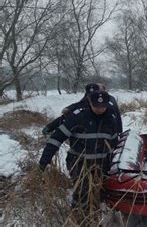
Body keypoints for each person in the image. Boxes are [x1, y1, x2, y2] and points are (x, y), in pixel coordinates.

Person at [39, 90, 118, 220]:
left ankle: (94, 216)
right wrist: (44, 160)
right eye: (96, 106)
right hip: (79, 162)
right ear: (90, 103)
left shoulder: (111, 119)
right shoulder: (77, 117)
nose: (99, 109)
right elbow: (56, 139)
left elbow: (114, 142)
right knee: (82, 191)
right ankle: (78, 217)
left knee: (98, 190)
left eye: (102, 106)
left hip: (101, 164)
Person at [42, 83, 123, 135]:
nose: (90, 97)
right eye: (89, 95)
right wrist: (50, 126)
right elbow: (68, 116)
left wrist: (119, 133)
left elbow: (117, 117)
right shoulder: (83, 103)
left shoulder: (109, 102)